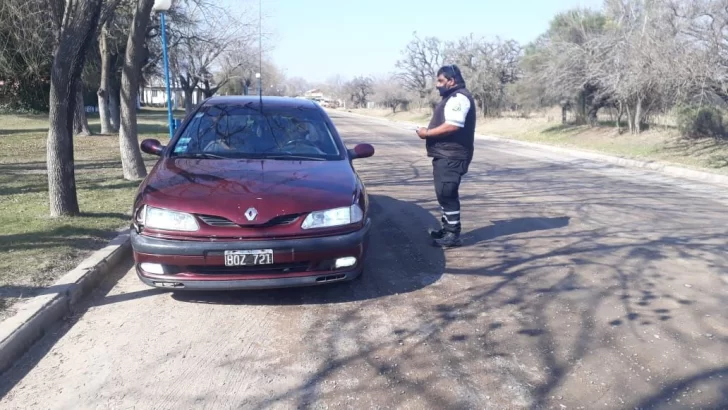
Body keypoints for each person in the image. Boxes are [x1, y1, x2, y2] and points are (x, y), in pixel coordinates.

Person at [416, 64, 476, 248]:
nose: (437, 85)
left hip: (453, 155)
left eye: (440, 80)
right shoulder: (451, 97)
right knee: (443, 193)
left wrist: (427, 133)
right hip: (445, 154)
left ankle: (453, 234)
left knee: (447, 193)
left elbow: (453, 126)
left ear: (451, 81)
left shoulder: (458, 98)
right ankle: (447, 227)